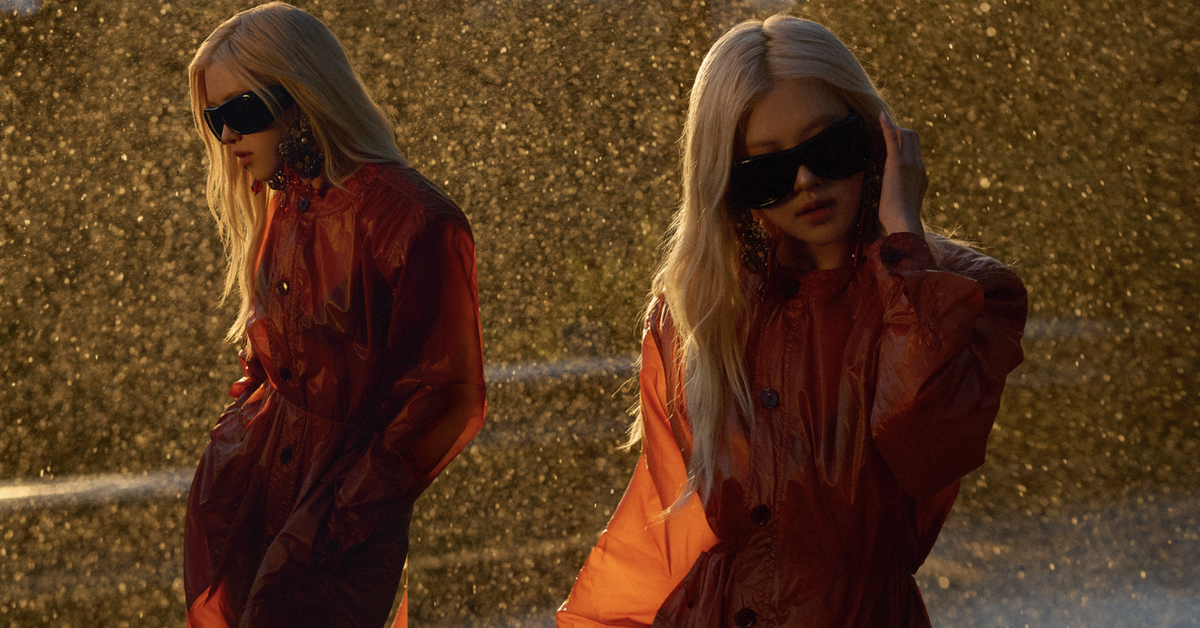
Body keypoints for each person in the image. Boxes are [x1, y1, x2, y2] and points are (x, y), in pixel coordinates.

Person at [557, 14, 1027, 628]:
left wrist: (904, 243)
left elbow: (930, 444)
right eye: (767, 172)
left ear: (877, 137)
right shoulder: (701, 308)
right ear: (728, 184)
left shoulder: (959, 293)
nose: (806, 181)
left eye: (827, 148)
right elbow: (665, 521)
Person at [182, 3, 486, 627]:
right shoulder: (283, 204)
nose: (228, 135)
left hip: (340, 526)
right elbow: (270, 365)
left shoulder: (413, 220)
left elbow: (443, 397)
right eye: (215, 119)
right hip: (253, 501)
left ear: (302, 95)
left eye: (244, 111)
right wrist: (229, 452)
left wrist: (341, 520)